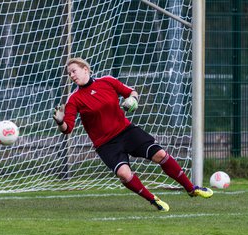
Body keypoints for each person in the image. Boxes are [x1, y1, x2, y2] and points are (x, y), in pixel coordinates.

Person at [53, 57, 213, 212]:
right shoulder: (74, 99)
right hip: (106, 144)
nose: (72, 76)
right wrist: (60, 121)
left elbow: (131, 92)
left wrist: (133, 100)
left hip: (126, 132)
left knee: (160, 154)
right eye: (69, 74)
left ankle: (191, 188)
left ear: (85, 69)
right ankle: (153, 199)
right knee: (124, 174)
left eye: (74, 71)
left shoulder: (107, 81)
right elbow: (68, 129)